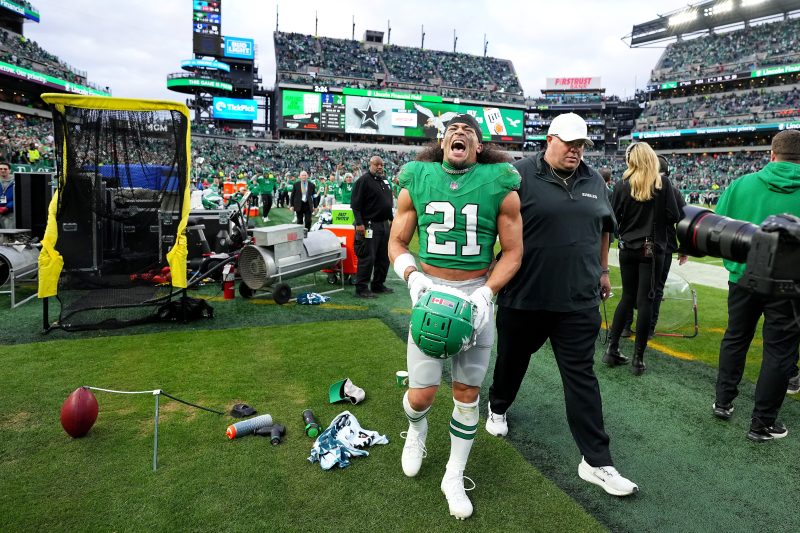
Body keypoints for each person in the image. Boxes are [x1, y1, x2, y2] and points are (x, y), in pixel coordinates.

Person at [485, 113, 638, 497]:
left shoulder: (594, 180)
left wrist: (603, 270)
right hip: (526, 296)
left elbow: (603, 229)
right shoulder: (518, 174)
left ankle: (597, 461)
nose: (576, 150)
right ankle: (498, 406)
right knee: (512, 361)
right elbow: (491, 224)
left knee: (581, 377)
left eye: (581, 144)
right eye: (569, 143)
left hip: (578, 301)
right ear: (550, 140)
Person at [389, 113, 523, 520]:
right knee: (422, 395)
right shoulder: (417, 176)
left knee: (467, 394)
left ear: (479, 146)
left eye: (468, 131)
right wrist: (412, 276)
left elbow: (513, 252)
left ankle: (454, 474)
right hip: (430, 292)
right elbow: (397, 241)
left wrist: (487, 292)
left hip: (474, 294)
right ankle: (416, 430)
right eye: (452, 130)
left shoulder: (500, 181)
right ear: (442, 142)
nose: (459, 132)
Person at [712, 129, 800, 442]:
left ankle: (723, 402)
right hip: (789, 285)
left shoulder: (741, 184)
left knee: (736, 338)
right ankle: (761, 423)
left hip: (743, 278)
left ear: (772, 155)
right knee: (780, 351)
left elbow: (717, 229)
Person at [604, 143, 681, 375]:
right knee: (646, 300)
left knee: (627, 297)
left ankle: (612, 348)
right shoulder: (662, 183)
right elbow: (674, 215)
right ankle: (638, 359)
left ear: (631, 159)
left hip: (627, 248)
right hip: (651, 249)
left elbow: (612, 219)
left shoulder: (621, 184)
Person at [619, 155, 688, 339]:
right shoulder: (670, 189)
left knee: (631, 289)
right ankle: (648, 329)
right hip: (662, 246)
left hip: (633, 244)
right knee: (655, 290)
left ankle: (626, 326)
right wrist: (684, 248)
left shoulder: (631, 185)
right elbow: (682, 219)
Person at [350, 156, 394, 299]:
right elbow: (355, 205)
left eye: (382, 164)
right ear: (370, 165)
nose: (380, 167)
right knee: (368, 257)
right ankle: (362, 288)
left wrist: (392, 219)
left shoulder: (384, 180)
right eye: (377, 164)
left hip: (384, 224)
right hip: (369, 224)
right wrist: (359, 223)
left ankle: (378, 284)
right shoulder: (363, 181)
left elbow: (388, 203)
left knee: (384, 257)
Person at [0, 162, 13, 229]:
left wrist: (8, 207)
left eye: (5, 169)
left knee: (9, 232)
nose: (2, 170)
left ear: (9, 170)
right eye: (0, 169)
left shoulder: (15, 181)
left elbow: (18, 198)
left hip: (10, 212)